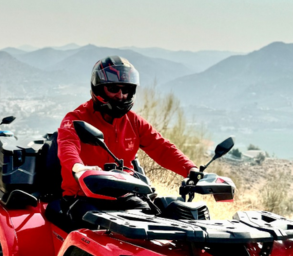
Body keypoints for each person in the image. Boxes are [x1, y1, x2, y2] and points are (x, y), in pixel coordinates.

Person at [57, 56, 198, 214]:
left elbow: (162, 148)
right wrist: (79, 168)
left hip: (124, 196)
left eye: (126, 90)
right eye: (113, 89)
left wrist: (192, 170)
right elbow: (67, 146)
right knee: (94, 227)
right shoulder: (76, 119)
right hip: (83, 196)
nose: (121, 95)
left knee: (155, 219)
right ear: (98, 88)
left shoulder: (134, 121)